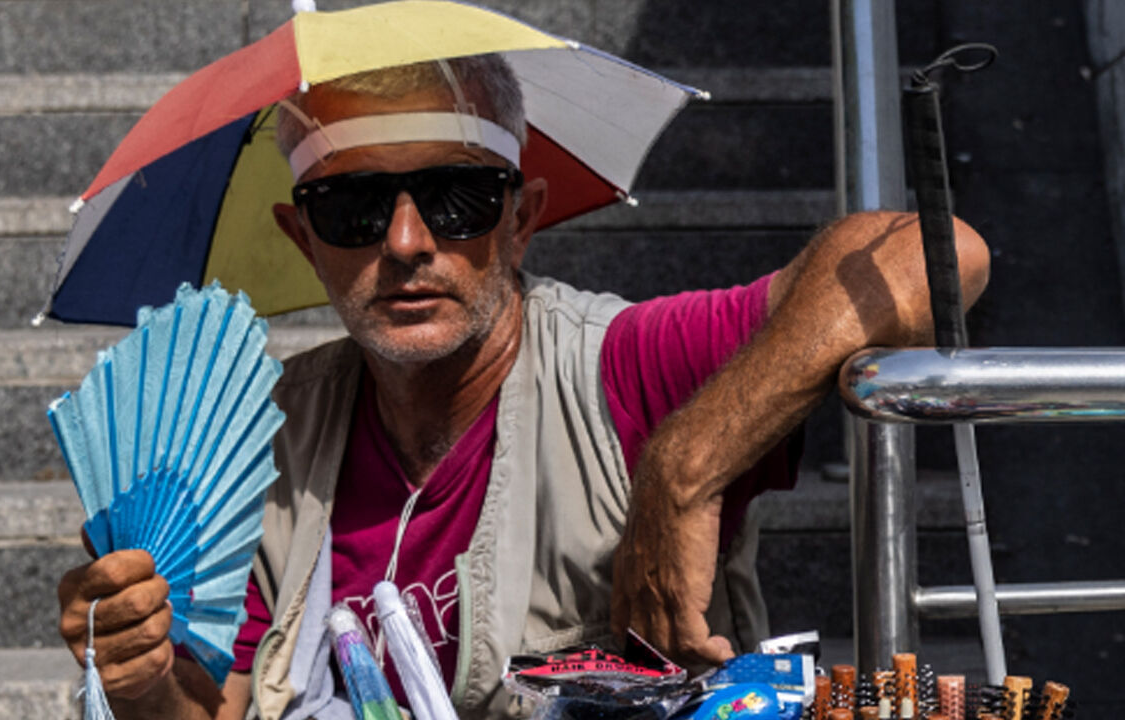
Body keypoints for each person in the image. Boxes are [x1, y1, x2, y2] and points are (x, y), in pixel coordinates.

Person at [56, 53, 989, 720]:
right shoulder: (263, 440)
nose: (407, 244)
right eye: (354, 208)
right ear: (304, 240)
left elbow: (932, 253)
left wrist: (684, 464)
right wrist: (139, 681)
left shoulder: (621, 368)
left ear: (521, 221)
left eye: (457, 198)